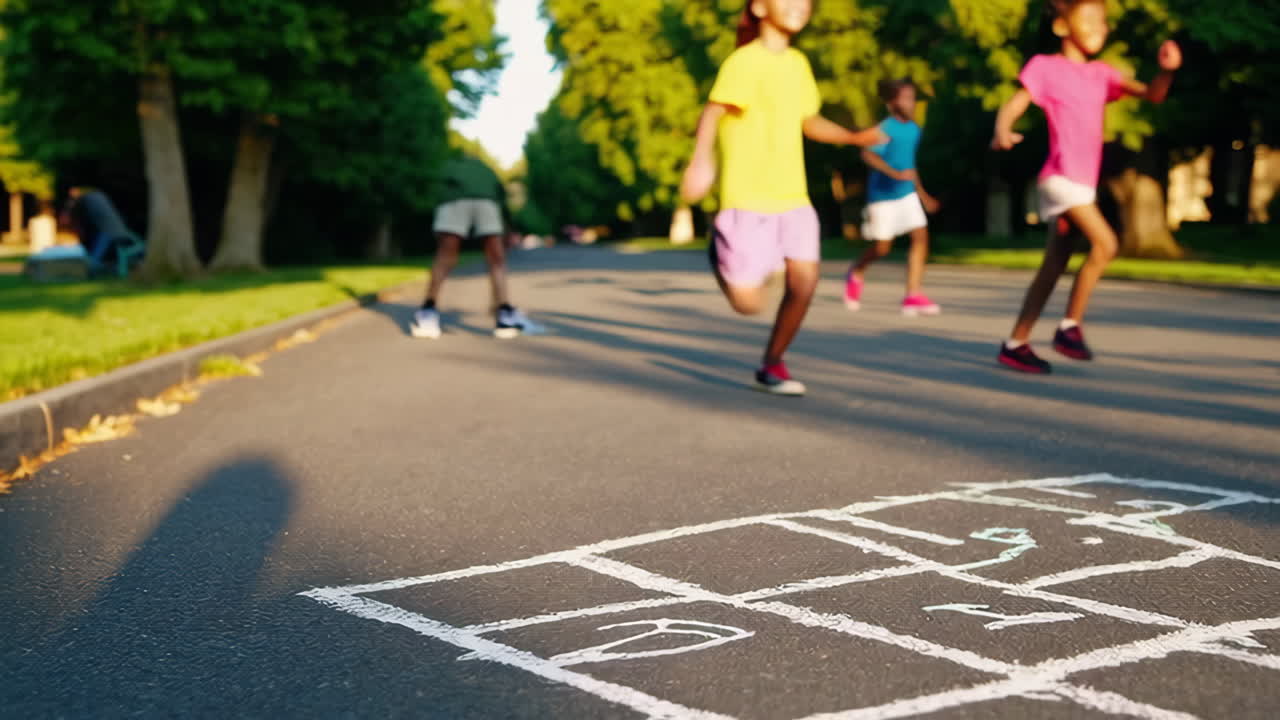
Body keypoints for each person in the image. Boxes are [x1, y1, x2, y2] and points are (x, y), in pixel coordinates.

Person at [680, 0, 885, 396]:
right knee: (748, 304)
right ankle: (718, 252)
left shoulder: (798, 65)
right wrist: (702, 161)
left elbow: (808, 121)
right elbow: (713, 110)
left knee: (805, 281)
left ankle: (773, 361)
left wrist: (853, 136)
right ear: (758, 8)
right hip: (748, 197)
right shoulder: (744, 62)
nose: (799, 5)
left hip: (793, 194)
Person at [991, 0, 1181, 373]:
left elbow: (1152, 94)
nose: (1101, 26)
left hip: (1082, 183)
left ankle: (1016, 343)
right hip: (1060, 176)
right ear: (1062, 27)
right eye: (1090, 18)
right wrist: (1001, 129)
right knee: (1106, 243)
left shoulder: (1102, 74)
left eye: (1104, 21)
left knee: (1054, 263)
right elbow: (1015, 104)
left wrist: (1167, 72)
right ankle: (1069, 327)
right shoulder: (1044, 67)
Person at [843, 78, 942, 316]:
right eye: (905, 98)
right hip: (882, 196)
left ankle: (913, 294)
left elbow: (910, 166)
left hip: (906, 194)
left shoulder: (914, 129)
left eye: (912, 98)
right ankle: (857, 271)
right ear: (892, 103)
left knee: (920, 236)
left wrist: (923, 194)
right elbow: (867, 155)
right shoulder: (885, 129)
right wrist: (893, 173)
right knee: (882, 248)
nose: (910, 103)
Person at [411, 153, 538, 339]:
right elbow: (501, 195)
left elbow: (434, 187)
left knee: (446, 255)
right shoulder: (486, 169)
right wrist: (510, 225)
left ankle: (428, 310)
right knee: (497, 259)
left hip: (455, 201)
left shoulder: (448, 164)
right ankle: (504, 312)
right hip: (483, 202)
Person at [59, 187, 133, 273]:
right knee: (109, 255)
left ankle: (89, 271)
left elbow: (81, 219)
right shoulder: (98, 196)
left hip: (107, 232)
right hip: (119, 231)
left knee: (95, 260)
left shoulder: (85, 200)